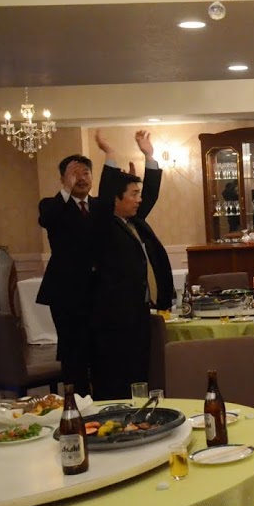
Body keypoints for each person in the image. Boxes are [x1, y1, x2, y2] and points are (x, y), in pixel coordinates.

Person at [88, 130, 175, 399]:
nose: (139, 199)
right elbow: (106, 194)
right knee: (116, 378)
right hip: (115, 318)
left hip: (138, 313)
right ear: (116, 199)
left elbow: (150, 195)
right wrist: (110, 155)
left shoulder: (134, 221)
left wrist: (149, 156)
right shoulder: (104, 223)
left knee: (139, 374)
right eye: (133, 194)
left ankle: (139, 412)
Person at [37, 153, 97, 394]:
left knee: (100, 349)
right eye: (74, 174)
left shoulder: (100, 206)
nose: (81, 179)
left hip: (99, 290)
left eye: (85, 173)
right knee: (73, 351)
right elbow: (46, 220)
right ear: (63, 179)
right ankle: (75, 402)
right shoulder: (52, 205)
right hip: (66, 292)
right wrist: (66, 191)